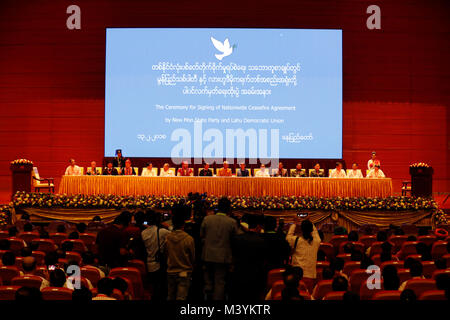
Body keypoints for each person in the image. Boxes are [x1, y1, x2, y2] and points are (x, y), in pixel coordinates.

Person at [200, 197, 238, 300]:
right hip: (223, 258)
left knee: (207, 281)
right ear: (229, 208)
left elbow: (201, 236)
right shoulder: (232, 222)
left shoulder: (207, 219)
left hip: (207, 255)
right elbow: (235, 240)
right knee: (219, 282)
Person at [231, 214, 266, 300]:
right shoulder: (261, 241)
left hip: (239, 273)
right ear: (258, 226)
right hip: (255, 275)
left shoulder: (237, 239)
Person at [166, 207, 195, 300]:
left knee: (170, 296)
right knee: (181, 297)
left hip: (171, 270)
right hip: (184, 271)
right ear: (183, 225)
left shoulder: (167, 237)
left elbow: (165, 253)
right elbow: (192, 257)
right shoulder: (189, 238)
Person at [141, 211, 171, 300]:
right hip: (159, 264)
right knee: (161, 287)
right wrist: (167, 225)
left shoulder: (143, 233)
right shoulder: (162, 232)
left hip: (149, 262)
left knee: (153, 287)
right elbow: (176, 232)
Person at [286, 219, 321, 293]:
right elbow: (315, 232)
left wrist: (294, 224)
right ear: (311, 229)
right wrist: (310, 221)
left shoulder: (296, 240)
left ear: (301, 229)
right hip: (310, 275)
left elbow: (288, 237)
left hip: (296, 276)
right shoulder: (317, 241)